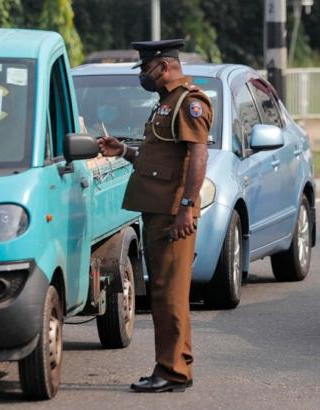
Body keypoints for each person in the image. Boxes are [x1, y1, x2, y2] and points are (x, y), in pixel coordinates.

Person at [97, 39, 211, 392]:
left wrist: (187, 208)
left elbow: (197, 157)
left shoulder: (189, 103)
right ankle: (176, 366)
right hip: (159, 212)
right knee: (163, 292)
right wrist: (126, 153)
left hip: (172, 214)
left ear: (163, 66)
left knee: (170, 295)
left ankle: (173, 370)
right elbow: (161, 160)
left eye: (146, 69)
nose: (143, 75)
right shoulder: (167, 103)